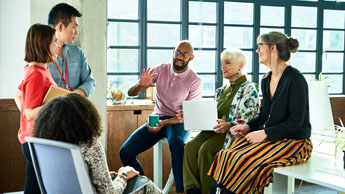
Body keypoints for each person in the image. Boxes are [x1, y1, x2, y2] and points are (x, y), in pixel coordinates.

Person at [208, 31, 313, 194]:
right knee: (226, 154)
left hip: (295, 142)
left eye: (260, 46)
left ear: (273, 49)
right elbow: (264, 115)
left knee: (245, 159)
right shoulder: (266, 79)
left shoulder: (295, 79)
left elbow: (296, 122)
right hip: (272, 138)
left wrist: (265, 133)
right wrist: (248, 127)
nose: (257, 51)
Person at [33, 93, 162, 194]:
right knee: (146, 185)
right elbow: (109, 192)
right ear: (86, 118)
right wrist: (124, 175)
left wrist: (102, 176)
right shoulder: (90, 145)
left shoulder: (48, 146)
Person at [120, 40, 203, 194]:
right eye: (178, 52)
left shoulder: (195, 80)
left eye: (185, 54)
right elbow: (130, 93)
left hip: (178, 122)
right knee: (125, 152)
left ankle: (180, 191)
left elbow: (187, 116)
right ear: (173, 52)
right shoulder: (161, 70)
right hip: (157, 118)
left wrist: (164, 123)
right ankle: (145, 188)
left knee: (177, 144)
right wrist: (141, 85)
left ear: (191, 58)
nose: (180, 56)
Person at [180, 48, 260, 194]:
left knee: (206, 150)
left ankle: (207, 191)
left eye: (227, 63)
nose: (223, 67)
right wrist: (191, 115)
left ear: (240, 66)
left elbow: (252, 117)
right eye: (222, 63)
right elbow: (211, 112)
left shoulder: (249, 88)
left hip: (231, 132)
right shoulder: (221, 90)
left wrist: (229, 124)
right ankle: (192, 189)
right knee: (190, 146)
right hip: (213, 129)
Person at [13, 23, 60, 194]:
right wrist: (56, 104)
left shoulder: (36, 69)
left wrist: (27, 120)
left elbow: (17, 95)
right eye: (55, 41)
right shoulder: (35, 74)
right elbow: (30, 113)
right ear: (43, 44)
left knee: (35, 188)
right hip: (36, 142)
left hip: (34, 140)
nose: (58, 45)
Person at [47, 3, 95, 96]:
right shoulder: (40, 56)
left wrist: (76, 94)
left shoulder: (78, 53)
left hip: (74, 107)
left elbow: (90, 81)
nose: (76, 32)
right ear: (60, 27)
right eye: (73, 27)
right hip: (51, 109)